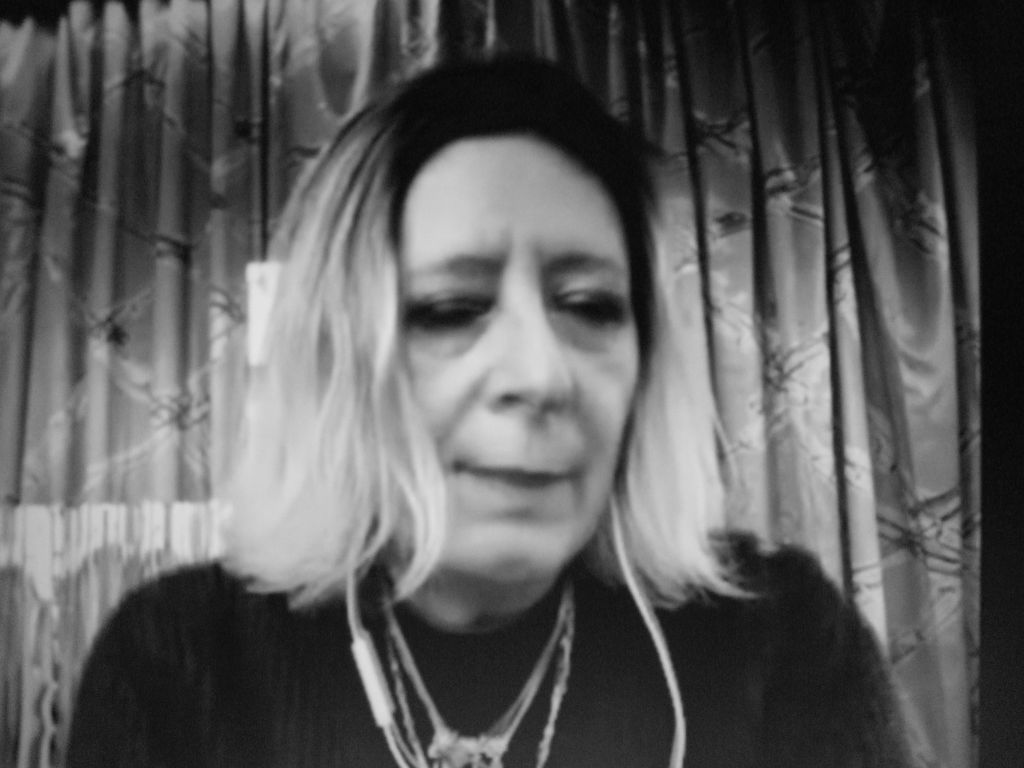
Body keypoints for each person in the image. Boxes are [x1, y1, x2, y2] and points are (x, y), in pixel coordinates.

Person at [67, 56, 910, 768]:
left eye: (590, 305)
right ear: (337, 361)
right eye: (451, 309)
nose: (540, 376)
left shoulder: (786, 647)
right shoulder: (178, 665)